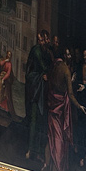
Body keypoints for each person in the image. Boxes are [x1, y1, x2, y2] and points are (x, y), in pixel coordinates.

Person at [45, 50, 85, 171]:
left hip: (52, 103)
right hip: (60, 107)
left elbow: (51, 83)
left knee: (52, 135)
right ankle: (58, 168)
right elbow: (71, 94)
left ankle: (49, 164)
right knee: (58, 138)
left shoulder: (55, 66)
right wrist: (79, 106)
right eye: (68, 54)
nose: (69, 56)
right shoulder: (66, 71)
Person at [24, 30, 52, 161]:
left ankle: (40, 152)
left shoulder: (48, 53)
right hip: (35, 89)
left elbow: (50, 68)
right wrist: (43, 75)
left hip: (43, 91)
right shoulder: (36, 50)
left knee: (42, 123)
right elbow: (41, 67)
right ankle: (31, 149)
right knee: (34, 122)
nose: (42, 42)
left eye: (43, 39)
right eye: (40, 40)